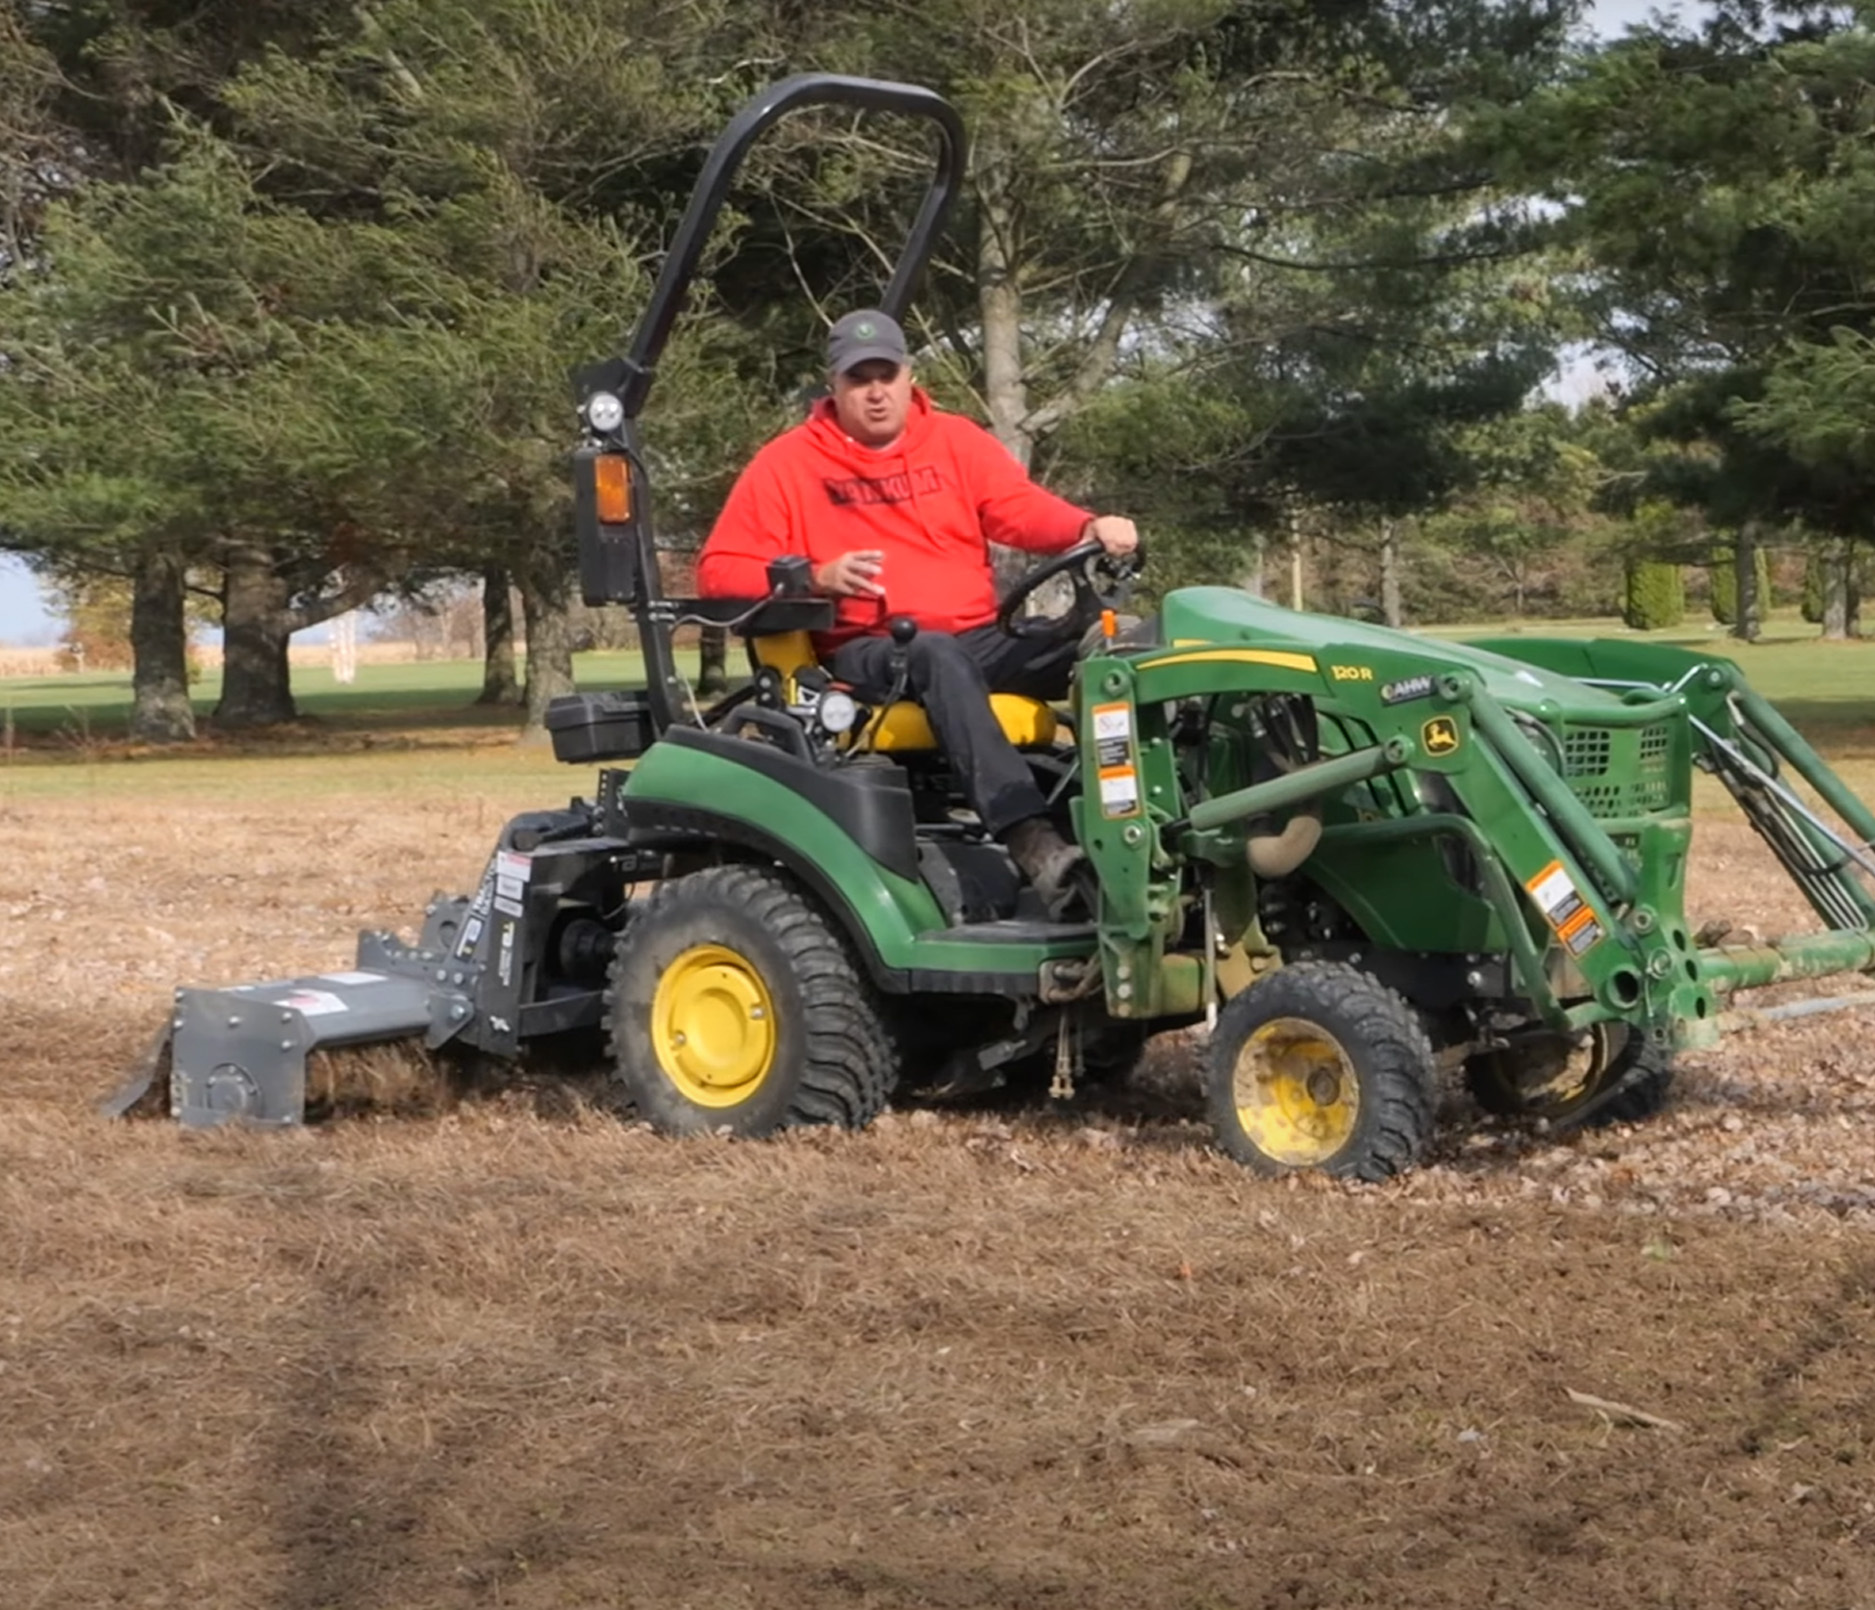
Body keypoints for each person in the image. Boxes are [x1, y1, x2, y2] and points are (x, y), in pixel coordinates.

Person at [696, 308, 1139, 916]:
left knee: (1110, 642)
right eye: (859, 379)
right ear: (834, 387)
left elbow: (1018, 508)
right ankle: (1033, 842)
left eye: (886, 374)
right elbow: (718, 570)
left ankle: (1145, 819)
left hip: (977, 638)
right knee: (934, 651)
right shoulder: (789, 464)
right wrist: (815, 577)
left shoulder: (955, 441)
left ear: (910, 376)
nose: (875, 392)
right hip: (871, 654)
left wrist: (1085, 525)